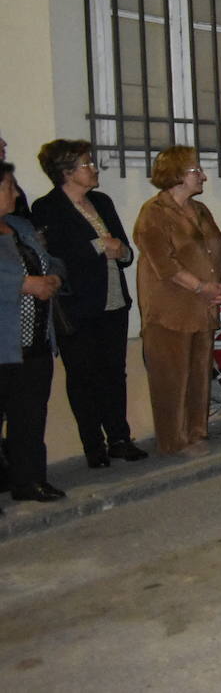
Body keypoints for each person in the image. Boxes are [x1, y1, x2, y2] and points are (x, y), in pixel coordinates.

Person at [32, 140, 149, 469]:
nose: (94, 168)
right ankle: (92, 444)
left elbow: (123, 249)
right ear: (67, 172)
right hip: (77, 306)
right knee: (83, 376)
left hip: (112, 300)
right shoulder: (47, 208)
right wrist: (99, 245)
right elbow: (53, 257)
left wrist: (122, 251)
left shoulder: (101, 201)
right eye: (86, 164)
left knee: (114, 372)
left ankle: (120, 438)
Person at [131, 146, 221, 456]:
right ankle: (174, 440)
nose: (202, 175)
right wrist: (201, 286)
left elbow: (218, 250)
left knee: (200, 371)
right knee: (171, 376)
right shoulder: (154, 213)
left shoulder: (200, 210)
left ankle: (197, 431)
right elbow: (165, 264)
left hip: (203, 307)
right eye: (195, 171)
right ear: (175, 175)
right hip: (170, 309)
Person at [0, 161, 66, 504]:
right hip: (3, 345)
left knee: (29, 417)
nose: (15, 192)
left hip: (35, 341)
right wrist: (24, 284)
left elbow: (51, 258)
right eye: (9, 186)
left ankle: (29, 481)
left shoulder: (20, 226)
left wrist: (53, 276)